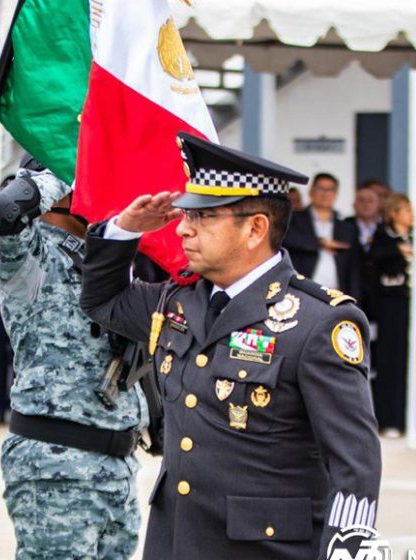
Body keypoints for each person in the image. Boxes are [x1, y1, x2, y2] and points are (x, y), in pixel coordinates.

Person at [80, 132, 381, 560]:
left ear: (255, 228)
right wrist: (124, 230)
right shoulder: (177, 301)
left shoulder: (319, 322)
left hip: (264, 547)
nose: (183, 228)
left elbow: (356, 463)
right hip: (177, 539)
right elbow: (102, 300)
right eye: (187, 214)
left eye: (204, 217)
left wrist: (345, 552)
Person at [0, 161, 147, 560]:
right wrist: (71, 160)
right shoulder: (31, 255)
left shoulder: (106, 255)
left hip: (117, 462)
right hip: (56, 463)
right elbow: (2, 212)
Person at [368, 193, 416, 438]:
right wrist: (397, 251)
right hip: (392, 306)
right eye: (406, 211)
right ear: (393, 214)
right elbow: (375, 262)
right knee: (391, 362)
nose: (411, 216)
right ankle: (390, 419)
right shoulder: (382, 238)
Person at [282, 172, 357, 294]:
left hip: (336, 294)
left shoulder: (346, 228)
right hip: (301, 291)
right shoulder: (293, 219)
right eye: (320, 188)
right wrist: (320, 243)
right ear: (311, 192)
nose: (325, 194)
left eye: (330, 190)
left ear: (336, 194)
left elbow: (354, 269)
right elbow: (287, 239)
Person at [346, 184, 383, 303]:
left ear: (379, 204)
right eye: (361, 201)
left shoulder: (386, 229)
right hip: (350, 289)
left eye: (371, 201)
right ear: (354, 204)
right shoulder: (344, 226)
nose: (366, 205)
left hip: (379, 292)